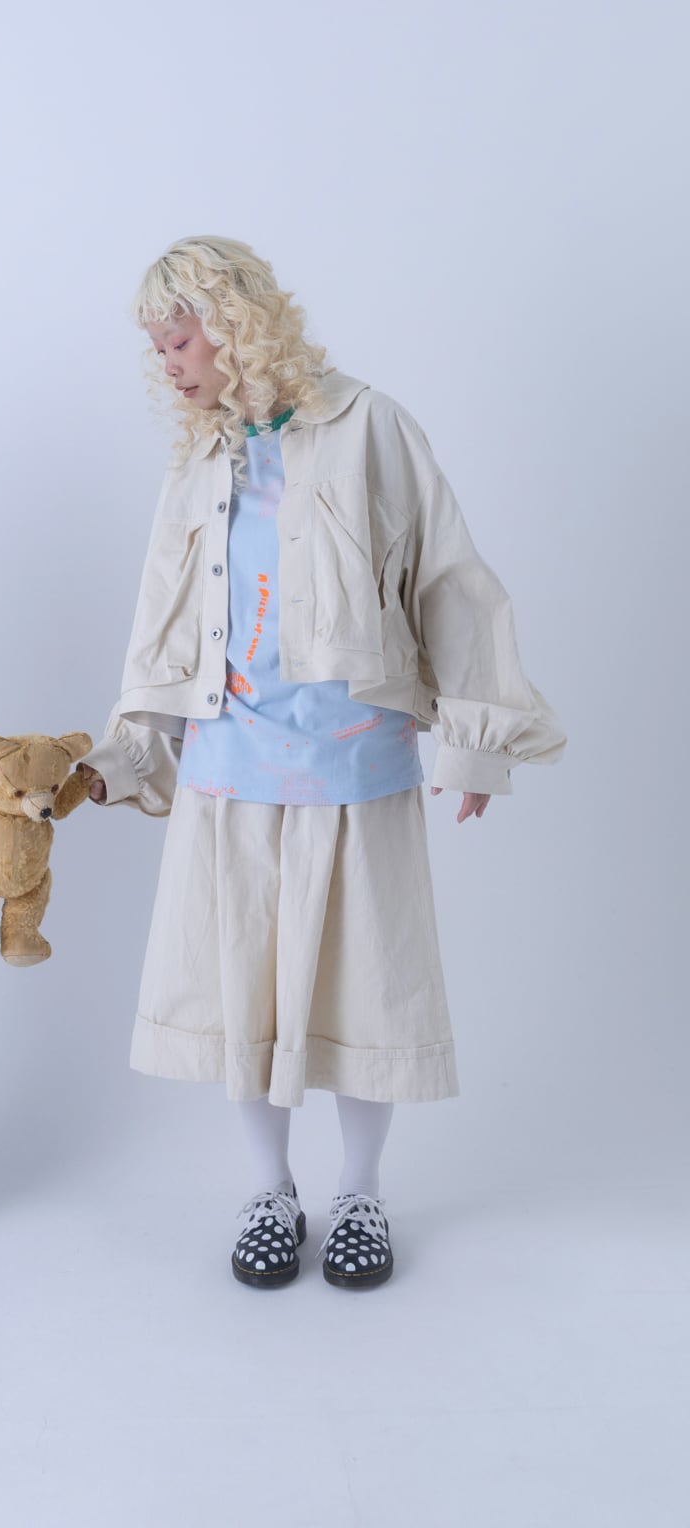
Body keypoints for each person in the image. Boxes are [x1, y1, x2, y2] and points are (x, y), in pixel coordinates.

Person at [80, 237, 564, 1289]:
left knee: (363, 990)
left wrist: (475, 740)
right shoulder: (201, 459)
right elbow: (162, 613)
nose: (168, 364)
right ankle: (270, 1190)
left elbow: (449, 579)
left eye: (178, 340)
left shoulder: (370, 426)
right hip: (227, 762)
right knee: (243, 994)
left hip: (356, 764)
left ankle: (360, 1193)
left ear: (233, 321)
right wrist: (129, 750)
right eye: (158, 348)